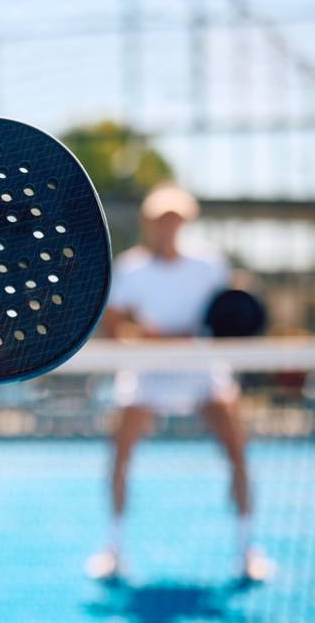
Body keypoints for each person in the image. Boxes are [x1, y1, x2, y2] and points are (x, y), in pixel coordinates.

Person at [86, 184, 271, 583]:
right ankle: (113, 549)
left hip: (203, 374)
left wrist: (188, 339)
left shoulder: (210, 265)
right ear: (148, 223)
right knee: (119, 457)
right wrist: (150, 339)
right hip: (147, 375)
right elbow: (114, 325)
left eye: (175, 219)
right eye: (160, 219)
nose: (167, 226)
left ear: (185, 222)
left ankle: (247, 549)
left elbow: (226, 318)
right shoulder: (130, 268)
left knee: (238, 453)